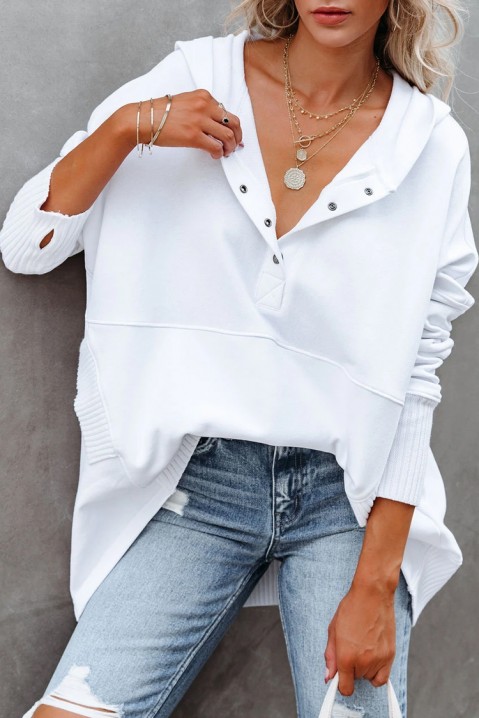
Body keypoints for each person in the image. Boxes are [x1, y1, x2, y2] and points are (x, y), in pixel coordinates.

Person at [1, 0, 477, 716]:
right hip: (196, 488)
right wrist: (131, 126)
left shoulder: (429, 144)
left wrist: (377, 585)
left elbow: (418, 373)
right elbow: (26, 245)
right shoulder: (196, 77)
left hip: (347, 500)